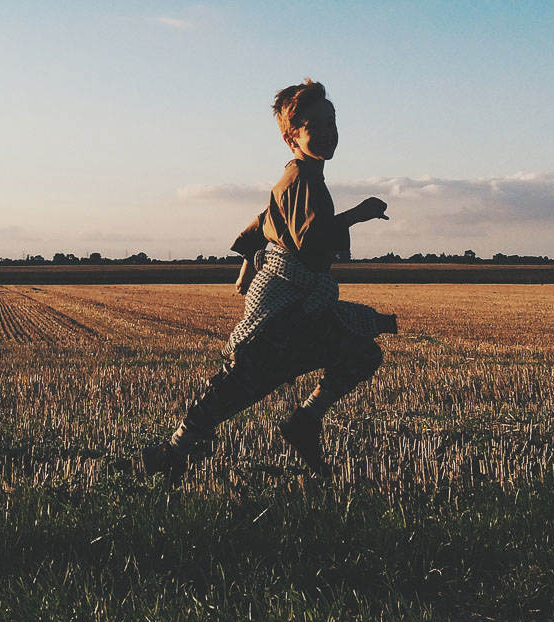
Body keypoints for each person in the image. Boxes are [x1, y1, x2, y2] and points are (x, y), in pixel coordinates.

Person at [143, 78, 397, 482]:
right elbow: (309, 241)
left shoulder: (305, 176)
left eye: (332, 122)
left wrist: (247, 260)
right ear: (290, 138)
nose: (329, 132)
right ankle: (173, 450)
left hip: (295, 298)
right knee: (244, 381)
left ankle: (300, 422)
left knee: (355, 354)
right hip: (285, 301)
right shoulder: (299, 179)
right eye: (315, 125)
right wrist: (357, 214)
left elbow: (262, 222)